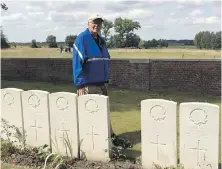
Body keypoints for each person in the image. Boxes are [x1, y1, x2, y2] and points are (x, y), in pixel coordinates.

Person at [72, 14, 131, 149]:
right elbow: (77, 62)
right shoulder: (82, 39)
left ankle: (110, 138)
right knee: (95, 114)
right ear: (88, 23)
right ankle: (103, 141)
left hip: (102, 82)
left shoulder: (101, 40)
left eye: (99, 23)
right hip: (89, 83)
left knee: (104, 112)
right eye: (94, 22)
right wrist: (79, 83)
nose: (96, 25)